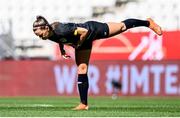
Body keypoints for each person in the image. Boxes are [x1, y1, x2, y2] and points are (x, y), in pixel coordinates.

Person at [33, 16, 162, 110]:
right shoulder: (49, 34)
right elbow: (58, 39)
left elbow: (84, 32)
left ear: (45, 27)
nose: (40, 37)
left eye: (40, 34)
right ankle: (84, 104)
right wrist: (62, 50)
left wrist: (78, 45)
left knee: (122, 26)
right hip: (83, 41)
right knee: (82, 69)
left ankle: (148, 23)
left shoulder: (62, 29)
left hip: (92, 29)